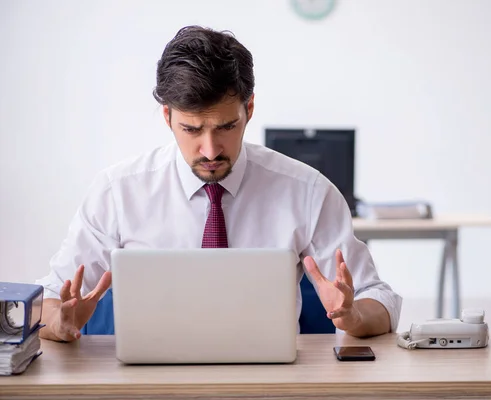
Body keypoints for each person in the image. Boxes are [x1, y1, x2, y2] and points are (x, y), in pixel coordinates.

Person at [36, 25, 402, 342]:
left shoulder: (307, 191)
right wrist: (60, 322)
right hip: (149, 385)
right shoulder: (118, 192)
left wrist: (353, 318)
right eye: (192, 130)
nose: (210, 150)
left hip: (271, 385)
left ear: (250, 109)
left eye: (226, 127)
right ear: (167, 116)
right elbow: (51, 299)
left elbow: (378, 298)